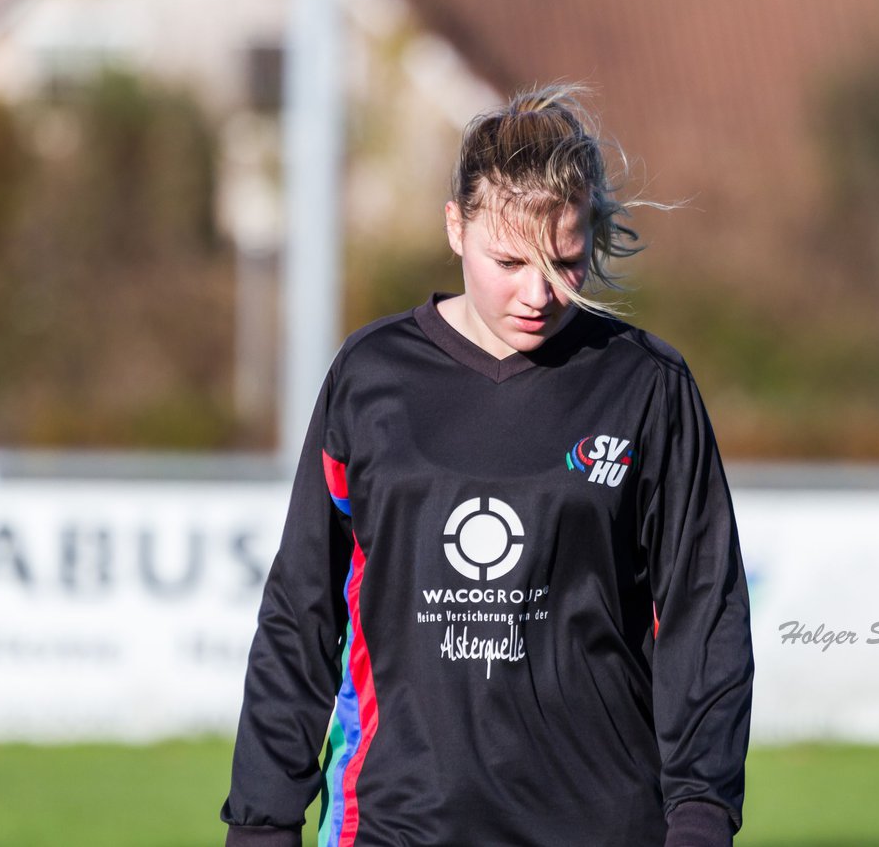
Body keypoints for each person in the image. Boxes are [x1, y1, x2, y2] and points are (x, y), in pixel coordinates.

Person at [221, 84, 753, 847]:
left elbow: (706, 614)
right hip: (398, 825)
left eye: (566, 262)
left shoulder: (646, 388)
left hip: (601, 826)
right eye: (508, 260)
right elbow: (301, 613)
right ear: (455, 227)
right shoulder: (371, 379)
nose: (538, 293)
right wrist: (264, 818)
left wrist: (701, 815)